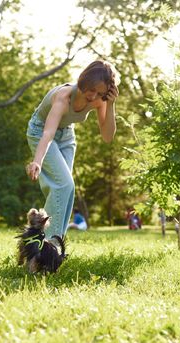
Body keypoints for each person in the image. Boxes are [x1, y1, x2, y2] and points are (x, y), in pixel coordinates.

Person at [26, 60, 119, 239]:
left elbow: (108, 137)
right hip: (41, 131)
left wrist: (111, 104)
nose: (93, 96)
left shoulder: (100, 100)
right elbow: (48, 132)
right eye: (91, 90)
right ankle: (47, 244)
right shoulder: (64, 96)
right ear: (84, 81)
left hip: (67, 136)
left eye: (100, 93)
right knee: (64, 184)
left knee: (66, 189)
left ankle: (47, 240)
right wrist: (37, 160)